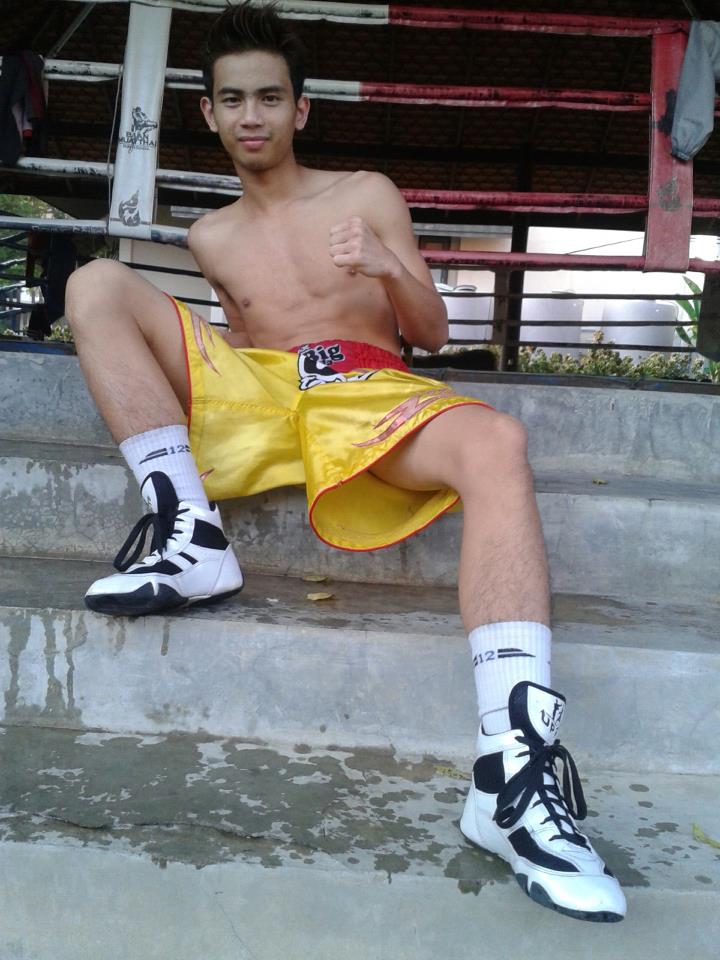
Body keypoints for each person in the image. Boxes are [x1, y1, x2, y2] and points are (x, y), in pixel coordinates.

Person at [64, 1, 626, 923]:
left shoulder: (366, 192)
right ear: (208, 113)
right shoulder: (209, 236)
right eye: (233, 100)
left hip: (366, 389)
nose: (252, 116)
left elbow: (431, 331)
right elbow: (247, 341)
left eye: (269, 98)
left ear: (301, 110)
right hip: (264, 394)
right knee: (94, 281)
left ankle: (513, 774)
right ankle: (189, 531)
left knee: (497, 440)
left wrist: (386, 267)